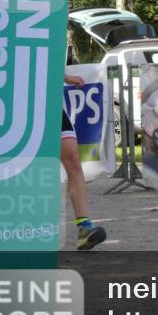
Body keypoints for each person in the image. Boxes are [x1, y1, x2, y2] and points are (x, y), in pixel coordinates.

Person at [62, 74, 107, 249]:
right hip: (18, 95)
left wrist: (65, 76)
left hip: (48, 100)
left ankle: (84, 227)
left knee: (73, 158)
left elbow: (50, 56)